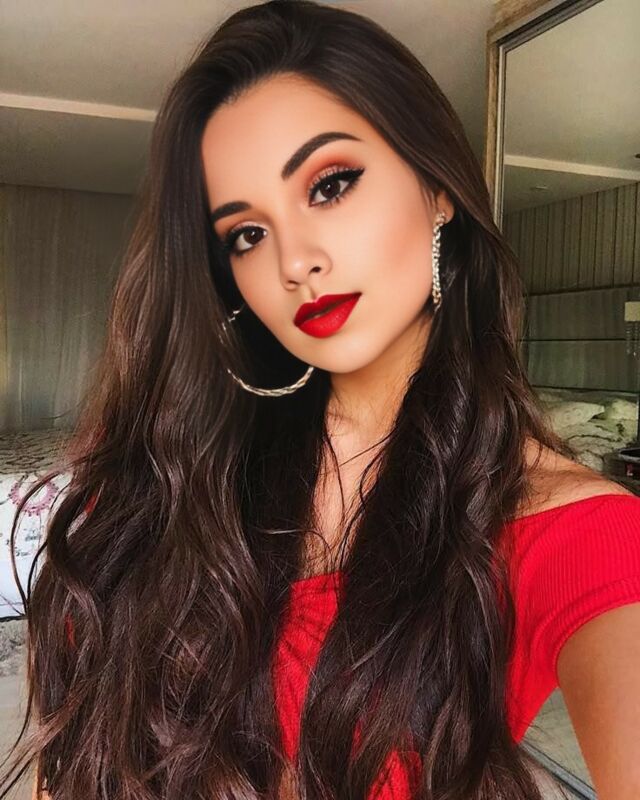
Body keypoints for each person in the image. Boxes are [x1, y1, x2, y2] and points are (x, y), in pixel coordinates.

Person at [3, 1, 639, 798]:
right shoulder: (180, 472)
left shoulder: (574, 530)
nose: (294, 262)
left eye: (330, 185)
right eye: (247, 233)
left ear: (438, 187)